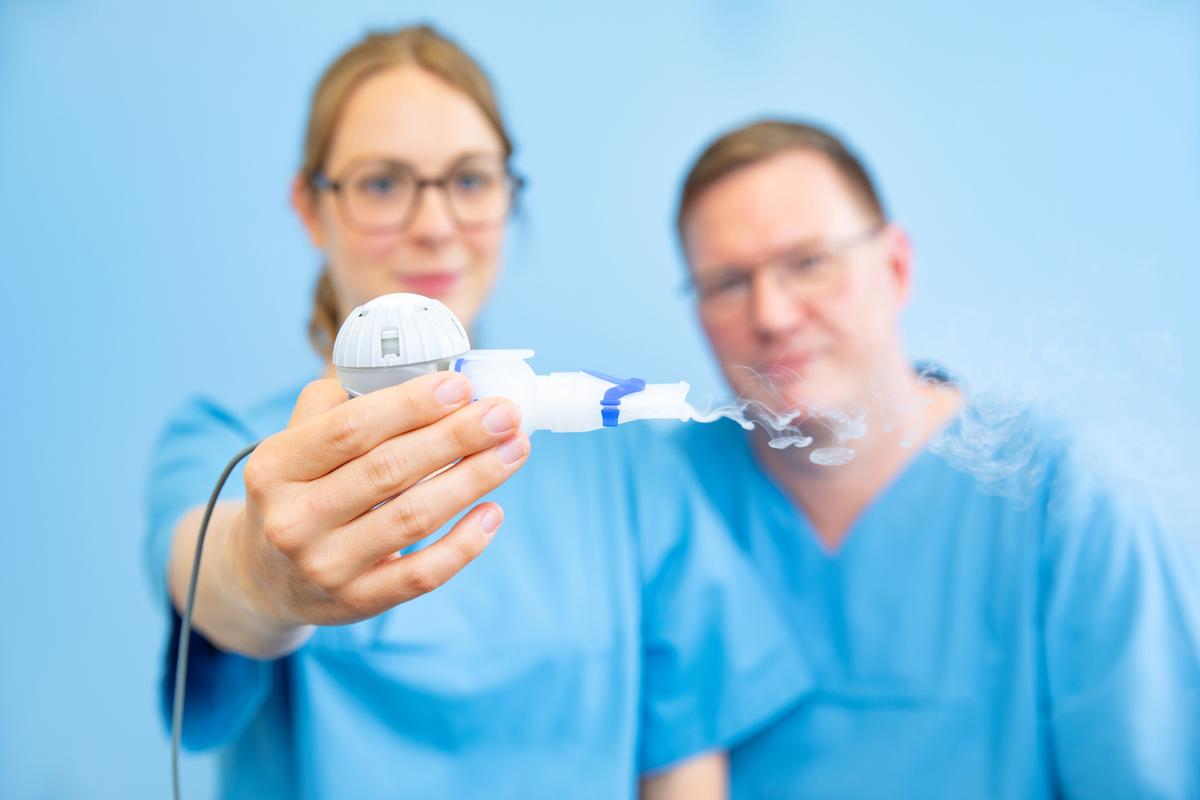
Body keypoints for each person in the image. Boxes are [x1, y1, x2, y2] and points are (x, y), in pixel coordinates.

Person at [144, 29, 810, 800]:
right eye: (383, 184)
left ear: (509, 196)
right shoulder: (229, 445)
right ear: (310, 207)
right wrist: (263, 575)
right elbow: (210, 572)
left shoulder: (632, 475)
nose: (434, 224)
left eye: (469, 180)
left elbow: (685, 766)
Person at [671, 118, 1200, 798]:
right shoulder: (669, 495)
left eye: (809, 263)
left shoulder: (1062, 498)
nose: (771, 314)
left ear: (895, 266)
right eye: (726, 283)